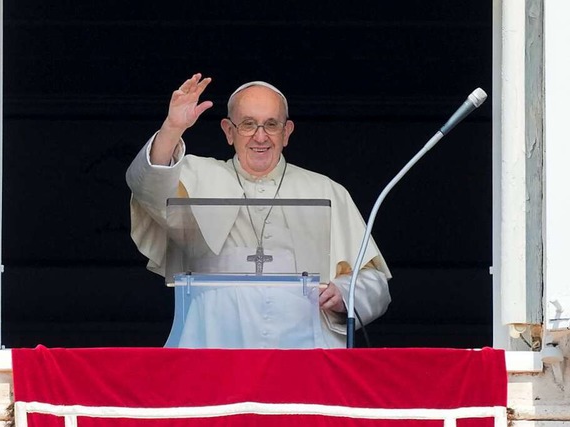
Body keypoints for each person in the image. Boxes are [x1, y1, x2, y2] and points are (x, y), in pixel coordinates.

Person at [126, 73, 392, 348]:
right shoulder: (196, 174)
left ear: (287, 132)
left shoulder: (325, 190)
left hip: (301, 347)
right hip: (214, 337)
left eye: (271, 124)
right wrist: (172, 128)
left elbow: (374, 282)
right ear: (229, 131)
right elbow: (148, 187)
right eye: (248, 124)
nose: (260, 136)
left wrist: (343, 292)